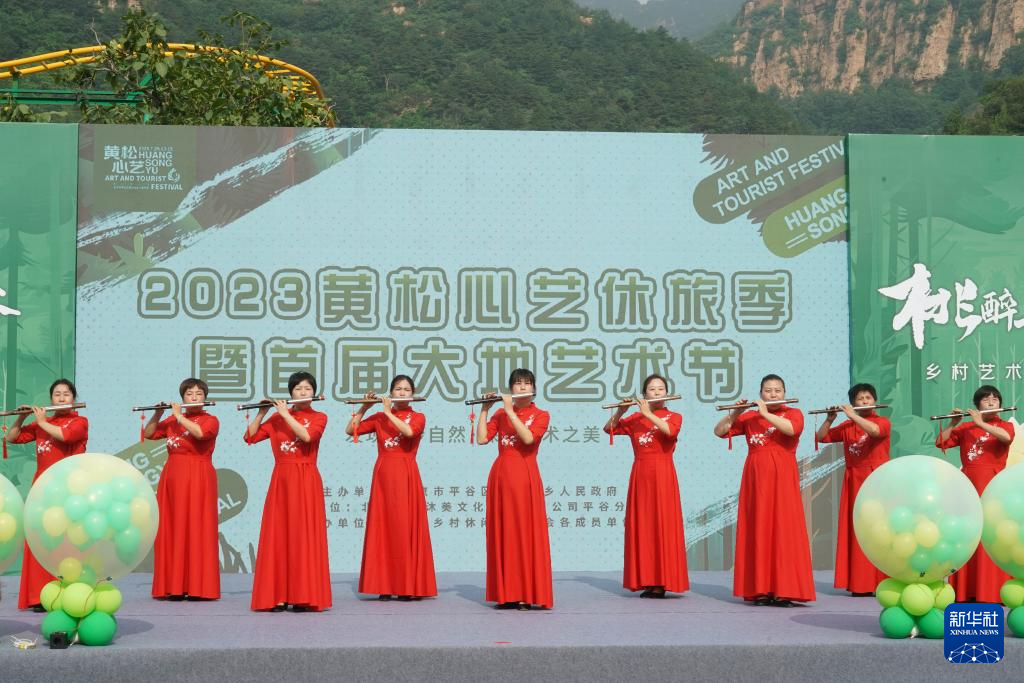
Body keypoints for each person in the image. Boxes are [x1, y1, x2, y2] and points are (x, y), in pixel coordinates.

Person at [713, 374, 815, 606]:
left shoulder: (793, 413)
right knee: (757, 528)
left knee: (783, 530)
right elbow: (719, 431)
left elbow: (792, 430)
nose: (773, 394)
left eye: (777, 390)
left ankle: (783, 590)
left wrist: (765, 413)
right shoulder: (750, 417)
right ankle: (760, 589)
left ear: (784, 393)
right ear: (760, 394)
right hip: (756, 479)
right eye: (768, 391)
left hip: (782, 479)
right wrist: (735, 413)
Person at [245, 372, 330, 612]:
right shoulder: (276, 418)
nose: (303, 393)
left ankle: (303, 596)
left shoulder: (319, 416)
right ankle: (278, 596)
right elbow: (250, 437)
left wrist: (284, 414)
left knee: (302, 536)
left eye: (307, 389)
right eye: (298, 389)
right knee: (279, 536)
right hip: (282, 479)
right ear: (290, 392)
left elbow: (307, 436)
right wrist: (262, 413)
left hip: (305, 478)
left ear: (314, 392)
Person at [348, 375, 436, 601]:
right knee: (383, 528)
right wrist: (364, 408)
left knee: (403, 527)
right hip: (383, 475)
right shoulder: (378, 417)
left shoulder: (418, 417)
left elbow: (409, 432)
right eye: (398, 389)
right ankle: (384, 585)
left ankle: (406, 585)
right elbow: (350, 430)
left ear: (412, 393)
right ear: (391, 393)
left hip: (406, 474)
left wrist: (388, 413)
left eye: (407, 389)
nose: (402, 393)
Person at [5, 379, 88, 610]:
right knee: (40, 539)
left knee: (64, 539)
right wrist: (21, 418)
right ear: (51, 398)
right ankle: (40, 595)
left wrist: (41, 421)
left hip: (67, 488)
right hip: (41, 486)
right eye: (57, 394)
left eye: (66, 394)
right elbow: (12, 437)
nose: (61, 398)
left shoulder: (80, 421)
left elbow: (66, 436)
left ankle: (65, 593)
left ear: (73, 398)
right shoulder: (43, 422)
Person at [603, 374, 688, 598]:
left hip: (663, 474)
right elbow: (608, 429)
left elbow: (670, 432)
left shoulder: (674, 416)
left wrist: (648, 413)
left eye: (661, 389)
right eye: (652, 389)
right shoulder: (635, 418)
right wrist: (620, 411)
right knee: (643, 527)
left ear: (667, 393)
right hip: (640, 474)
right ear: (644, 394)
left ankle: (662, 581)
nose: (657, 392)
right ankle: (647, 579)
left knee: (662, 525)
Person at [475, 369, 552, 610]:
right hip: (501, 476)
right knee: (504, 533)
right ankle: (506, 593)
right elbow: (482, 439)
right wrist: (485, 410)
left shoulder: (541, 414)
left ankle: (525, 593)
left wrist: (509, 411)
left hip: (524, 476)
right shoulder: (499, 414)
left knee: (523, 533)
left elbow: (528, 439)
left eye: (527, 383)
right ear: (510, 389)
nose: (522, 387)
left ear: (534, 388)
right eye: (517, 384)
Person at [937, 384, 1014, 603]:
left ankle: (994, 590)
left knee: (991, 535)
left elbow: (1006, 438)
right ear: (977, 405)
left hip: (993, 485)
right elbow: (940, 442)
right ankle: (967, 590)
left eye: (995, 399)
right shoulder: (966, 428)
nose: (991, 402)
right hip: (969, 485)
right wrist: (953, 423)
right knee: (968, 535)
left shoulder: (1005, 425)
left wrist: (980, 423)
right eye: (986, 399)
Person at [145, 378, 220, 600]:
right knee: (173, 527)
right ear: (182, 397)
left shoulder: (211, 420)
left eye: (199, 394)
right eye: (189, 394)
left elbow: (200, 434)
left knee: (197, 527)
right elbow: (149, 434)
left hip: (198, 476)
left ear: (205, 398)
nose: (194, 397)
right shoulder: (171, 420)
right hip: (173, 476)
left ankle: (198, 587)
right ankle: (174, 586)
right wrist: (158, 414)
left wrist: (178, 416)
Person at [816, 383, 890, 596]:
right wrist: (829, 419)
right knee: (858, 529)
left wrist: (852, 416)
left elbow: (874, 431)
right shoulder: (847, 426)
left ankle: (882, 581)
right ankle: (860, 583)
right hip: (855, 479)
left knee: (878, 529)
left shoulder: (882, 421)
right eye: (860, 399)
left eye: (868, 398)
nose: (865, 401)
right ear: (853, 403)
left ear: (874, 401)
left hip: (877, 479)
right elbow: (822, 437)